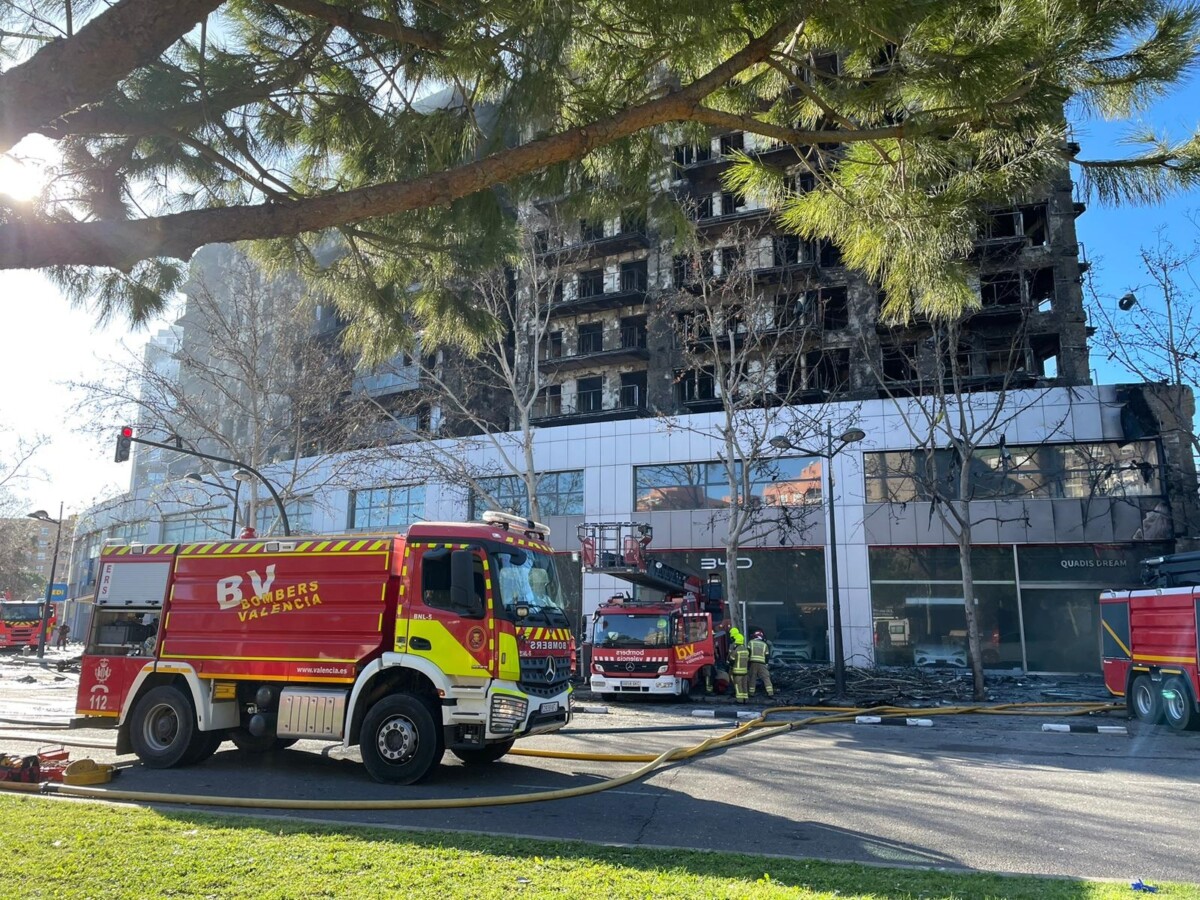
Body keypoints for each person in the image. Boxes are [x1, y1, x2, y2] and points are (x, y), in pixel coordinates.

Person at [747, 629, 774, 699]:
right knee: (766, 677)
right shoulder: (764, 645)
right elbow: (767, 656)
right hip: (762, 664)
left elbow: (748, 653)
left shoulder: (750, 642)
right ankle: (770, 693)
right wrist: (766, 664)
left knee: (752, 678)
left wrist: (747, 664)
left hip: (753, 663)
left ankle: (751, 693)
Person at [729, 632, 750, 704]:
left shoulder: (736, 650)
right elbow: (748, 660)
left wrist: (730, 666)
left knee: (738, 686)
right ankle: (746, 699)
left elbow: (732, 660)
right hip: (745, 671)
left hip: (737, 671)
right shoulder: (746, 650)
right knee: (744, 685)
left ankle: (739, 700)